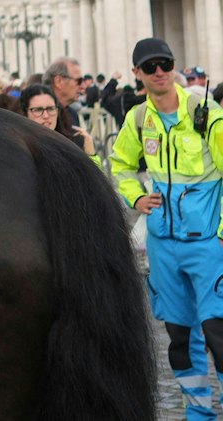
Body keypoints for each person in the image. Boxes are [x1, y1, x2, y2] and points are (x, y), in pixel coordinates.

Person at [112, 37, 223, 420]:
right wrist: (135, 198)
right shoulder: (137, 118)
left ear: (174, 66)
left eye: (165, 63)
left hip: (209, 244)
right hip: (163, 246)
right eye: (150, 66)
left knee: (218, 335)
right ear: (137, 74)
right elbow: (121, 165)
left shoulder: (204, 111)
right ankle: (199, 415)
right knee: (179, 339)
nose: (159, 71)